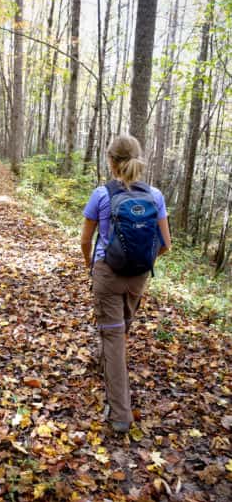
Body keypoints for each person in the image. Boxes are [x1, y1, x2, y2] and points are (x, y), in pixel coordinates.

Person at [81, 134, 171, 433]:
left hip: (108, 273)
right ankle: (103, 355)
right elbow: (165, 244)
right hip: (139, 276)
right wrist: (142, 265)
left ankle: (120, 415)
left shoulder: (101, 194)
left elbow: (85, 240)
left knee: (114, 337)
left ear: (110, 161)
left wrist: (92, 266)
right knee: (120, 328)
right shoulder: (155, 196)